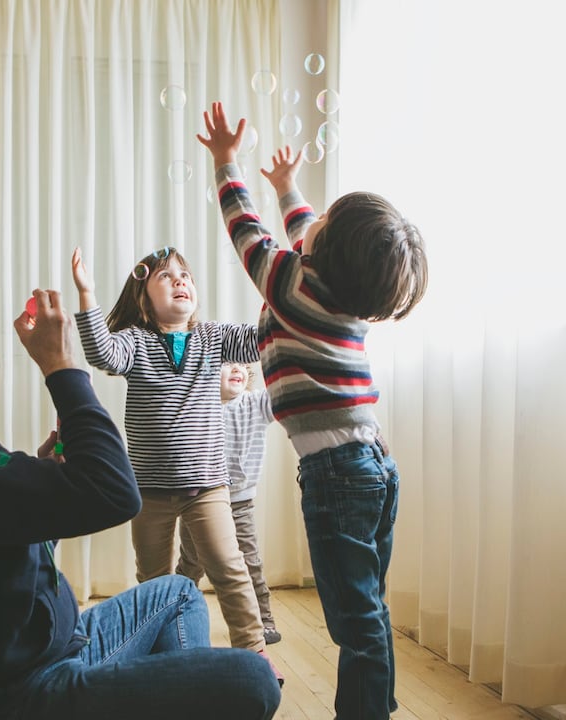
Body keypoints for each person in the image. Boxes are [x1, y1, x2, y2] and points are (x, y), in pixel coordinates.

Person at [0, 274, 281, 719]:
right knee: (253, 680)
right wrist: (60, 365)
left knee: (178, 593)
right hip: (20, 697)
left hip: (49, 652)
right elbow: (116, 493)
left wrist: (45, 484)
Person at [197, 102, 429, 720]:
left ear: (323, 251)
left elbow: (246, 230)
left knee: (355, 620)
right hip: (373, 465)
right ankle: (377, 703)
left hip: (339, 475)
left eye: (323, 219)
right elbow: (309, 231)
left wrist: (226, 162)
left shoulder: (290, 282)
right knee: (369, 607)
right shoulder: (339, 292)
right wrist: (287, 187)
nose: (310, 219)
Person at [69, 247, 282, 679]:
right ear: (144, 298)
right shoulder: (136, 341)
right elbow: (102, 354)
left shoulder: (212, 338)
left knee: (230, 568)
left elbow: (262, 338)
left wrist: (280, 292)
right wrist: (87, 294)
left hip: (208, 487)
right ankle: (158, 657)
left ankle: (254, 652)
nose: (180, 280)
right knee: (153, 580)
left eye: (185, 274)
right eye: (165, 276)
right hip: (149, 491)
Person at [176, 362, 282, 645]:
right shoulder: (199, 405)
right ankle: (172, 616)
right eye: (227, 364)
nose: (237, 369)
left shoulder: (256, 403)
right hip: (200, 501)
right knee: (191, 562)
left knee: (250, 561)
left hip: (240, 502)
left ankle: (264, 620)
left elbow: (281, 392)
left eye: (241, 365)